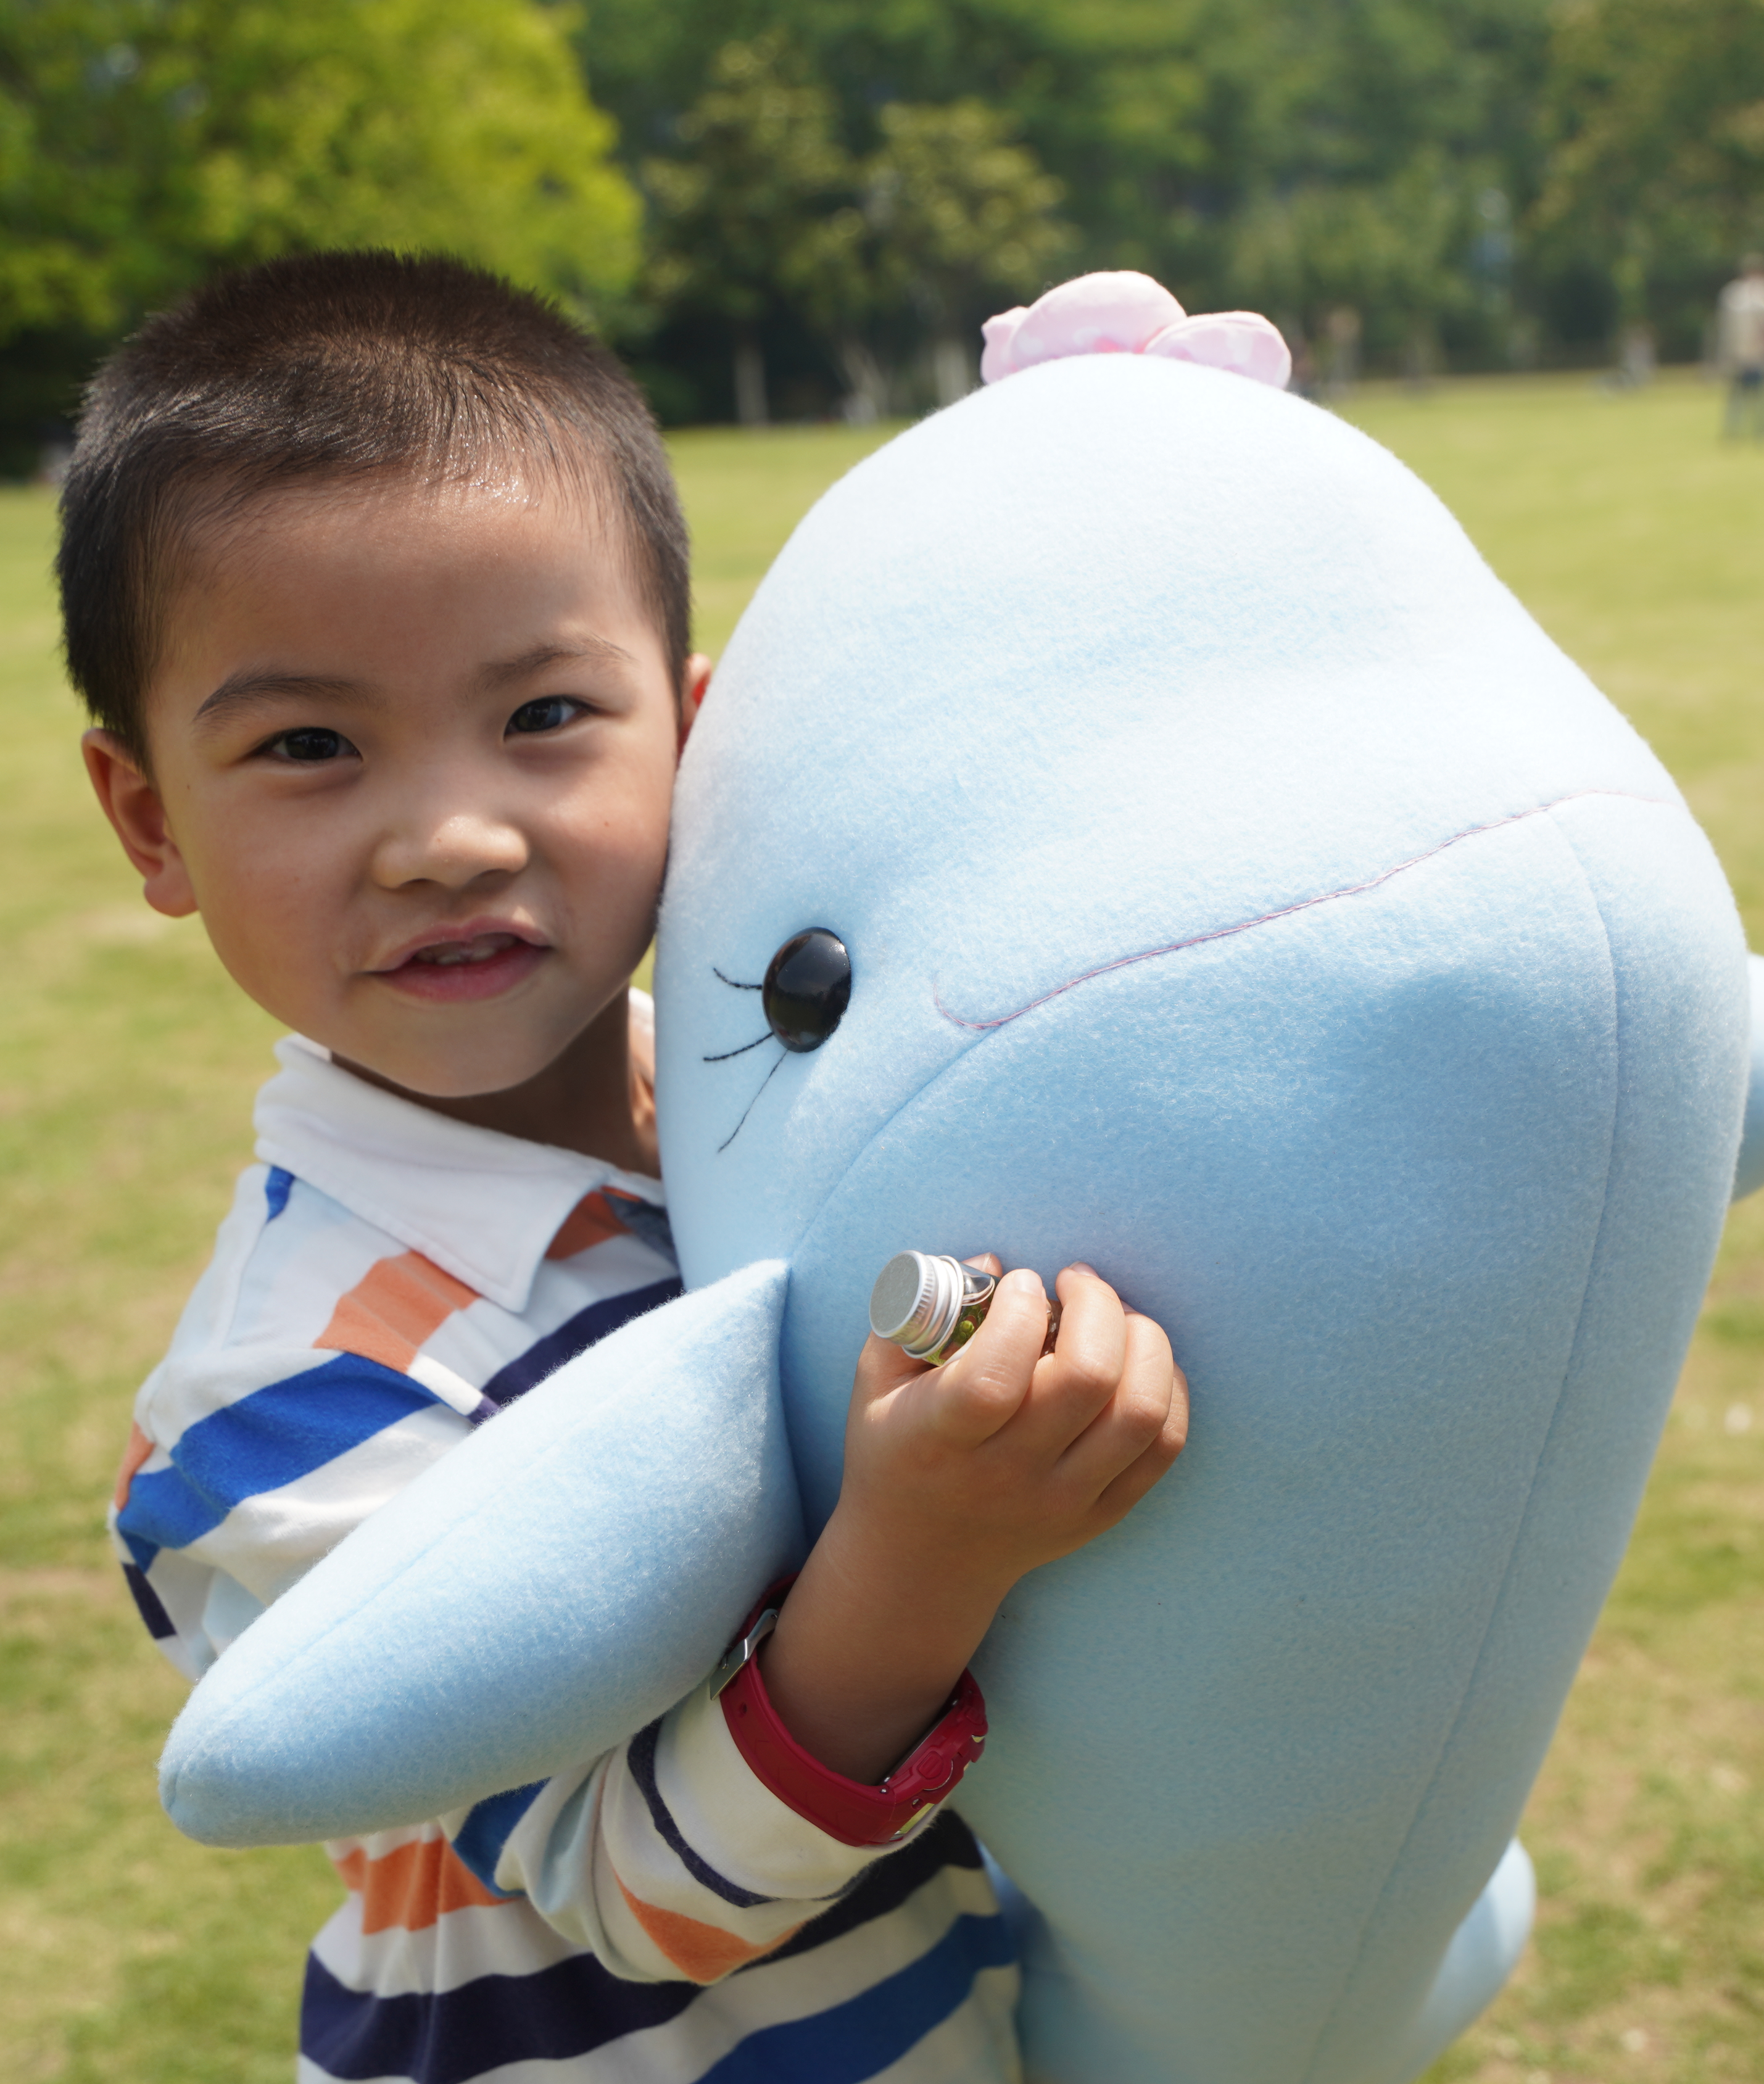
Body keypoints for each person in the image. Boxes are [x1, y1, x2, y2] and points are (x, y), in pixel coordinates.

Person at [70, 252, 1189, 2080]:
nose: (446, 835)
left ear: (696, 729)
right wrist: (931, 1543)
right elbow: (635, 1892)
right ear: (149, 816)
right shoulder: (277, 1398)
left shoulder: (801, 1102)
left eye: (543, 717)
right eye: (307, 746)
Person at [1714, 252, 1764, 443]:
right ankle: (1734, 430)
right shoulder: (1734, 294)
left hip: (1762, 352)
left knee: (1763, 395)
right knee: (1738, 396)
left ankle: (1762, 431)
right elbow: (1725, 325)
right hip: (1740, 352)